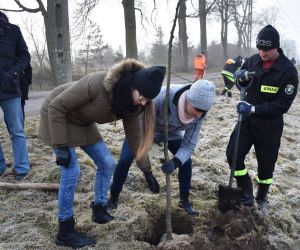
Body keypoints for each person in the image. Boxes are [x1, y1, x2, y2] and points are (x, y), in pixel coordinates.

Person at [38, 58, 165, 248]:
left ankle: (99, 209)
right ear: (132, 85)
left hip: (82, 122)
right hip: (57, 117)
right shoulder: (97, 84)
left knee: (107, 163)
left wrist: (147, 171)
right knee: (71, 170)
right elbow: (57, 106)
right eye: (142, 95)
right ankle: (65, 230)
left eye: (147, 100)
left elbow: (135, 140)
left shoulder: (132, 106)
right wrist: (61, 146)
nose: (143, 102)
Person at [108, 79, 216, 216]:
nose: (199, 115)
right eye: (197, 110)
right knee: (125, 160)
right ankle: (113, 197)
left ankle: (184, 200)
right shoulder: (162, 97)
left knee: (186, 162)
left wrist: (176, 161)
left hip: (172, 133)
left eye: (203, 112)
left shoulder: (199, 116)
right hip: (145, 128)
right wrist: (147, 170)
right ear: (188, 100)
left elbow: (189, 145)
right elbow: (137, 120)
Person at [226, 25, 298, 210]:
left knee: (266, 167)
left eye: (266, 49)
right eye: (259, 48)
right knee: (233, 154)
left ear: (276, 47)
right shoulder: (252, 61)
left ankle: (262, 198)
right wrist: (240, 79)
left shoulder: (288, 71)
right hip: (247, 122)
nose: (262, 53)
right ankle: (245, 190)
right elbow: (241, 84)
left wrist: (254, 109)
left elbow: (283, 104)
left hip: (269, 126)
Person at [0, 11, 31, 180]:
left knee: (17, 130)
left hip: (10, 88)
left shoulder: (14, 30)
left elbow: (24, 55)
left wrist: (13, 73)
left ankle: (22, 169)